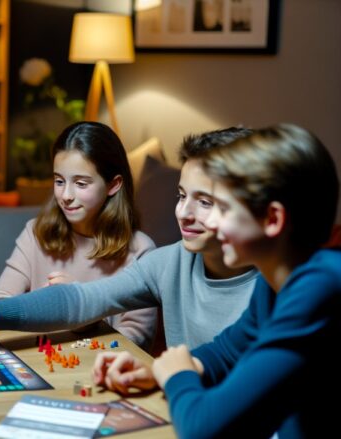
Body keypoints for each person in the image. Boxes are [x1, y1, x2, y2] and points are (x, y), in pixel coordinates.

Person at [0, 127, 260, 352]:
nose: (184, 213)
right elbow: (82, 300)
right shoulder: (167, 263)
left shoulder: (284, 283)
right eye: (182, 195)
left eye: (204, 201)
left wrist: (173, 376)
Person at [93, 124, 340, 438]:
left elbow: (203, 429)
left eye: (222, 207)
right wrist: (159, 371)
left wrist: (178, 376)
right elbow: (226, 352)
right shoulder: (274, 284)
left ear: (273, 219)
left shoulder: (321, 287)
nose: (209, 221)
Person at [0, 122, 156, 349]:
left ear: (113, 185)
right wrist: (43, 307)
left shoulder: (142, 252)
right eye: (59, 181)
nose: (66, 195)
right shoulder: (35, 233)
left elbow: (135, 343)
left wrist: (80, 307)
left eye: (80, 183)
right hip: (38, 363)